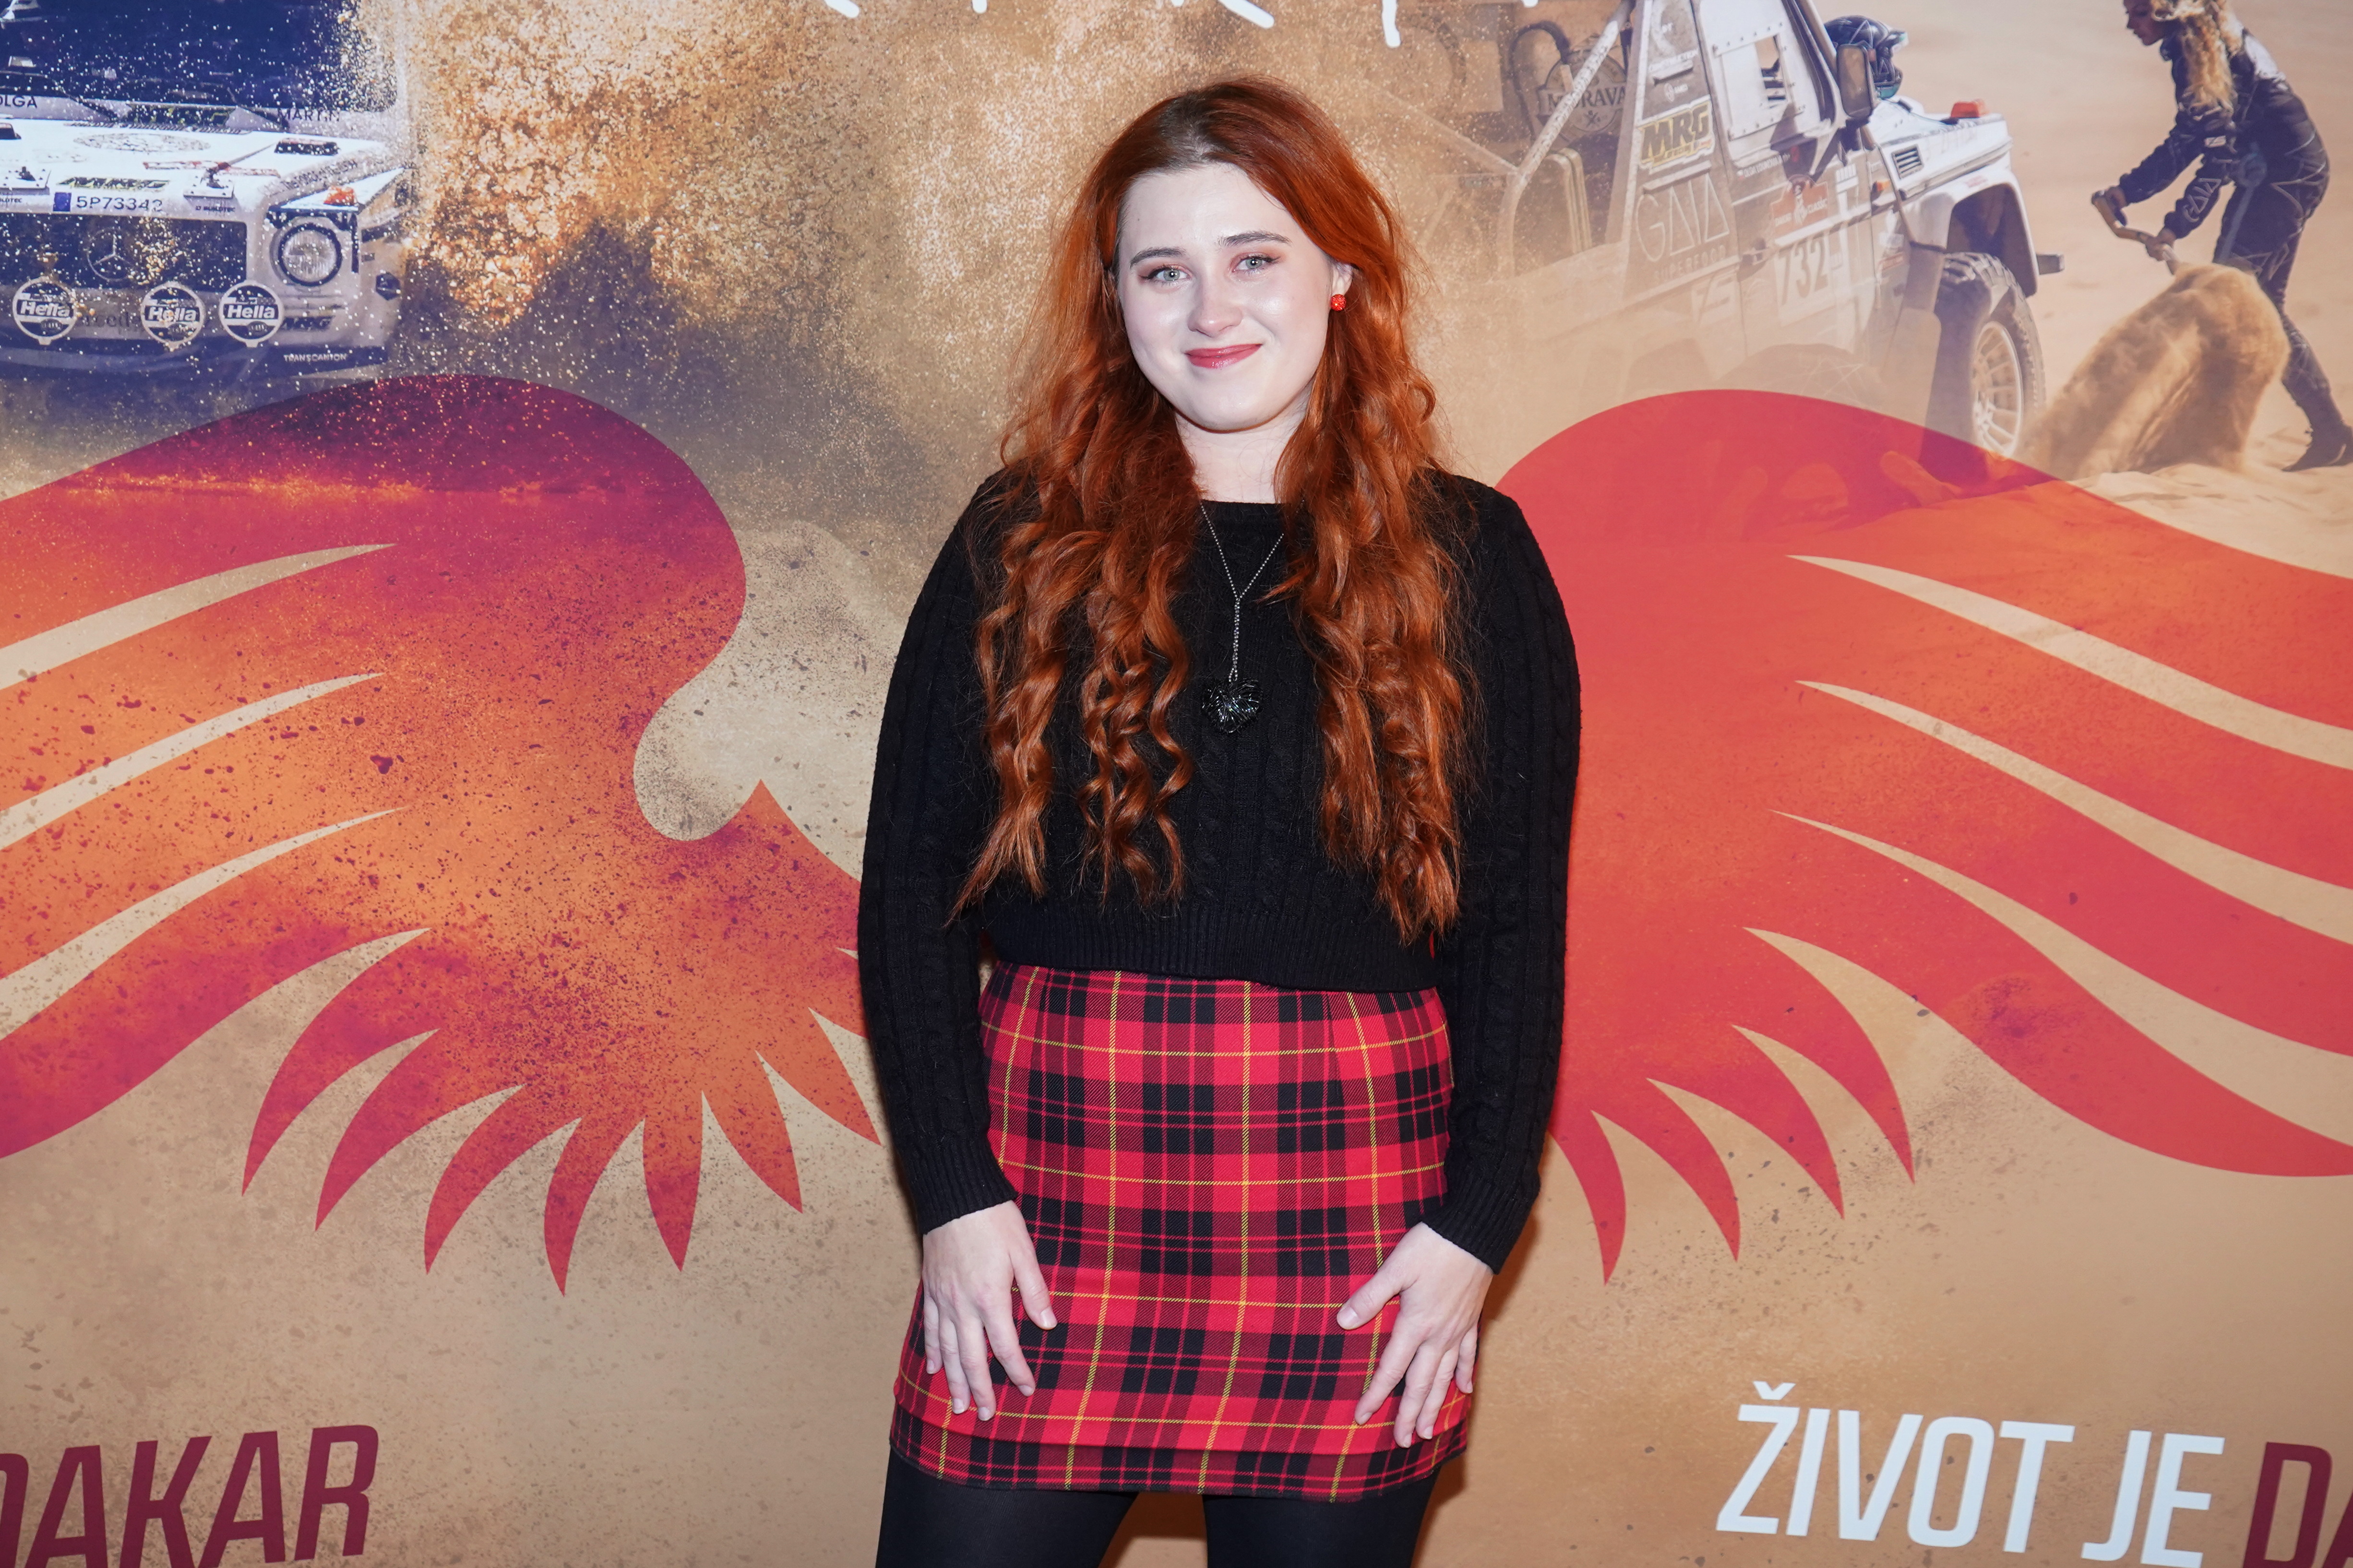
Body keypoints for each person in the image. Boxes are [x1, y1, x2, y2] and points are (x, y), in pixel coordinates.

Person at [857, 78, 1579, 1568]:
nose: (1209, 310)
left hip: (1354, 1214)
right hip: (1040, 1199)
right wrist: (952, 1194)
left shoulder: (1473, 557)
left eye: (1253, 257)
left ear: (1338, 272)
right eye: (1160, 269)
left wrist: (1473, 1226)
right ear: (1112, 298)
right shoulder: (1014, 541)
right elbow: (907, 891)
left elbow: (1512, 924)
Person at [2101, 0, 2349, 471]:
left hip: (2281, 178)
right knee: (2259, 306)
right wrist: (2127, 190)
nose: (2130, 23)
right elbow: (2188, 139)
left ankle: (2204, 443)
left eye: (2139, 11)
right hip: (2288, 174)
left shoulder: (2202, 51)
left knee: (2226, 299)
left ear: (2168, 10)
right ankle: (2333, 435)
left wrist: (2175, 225)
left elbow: (2217, 158)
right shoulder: (2200, 42)